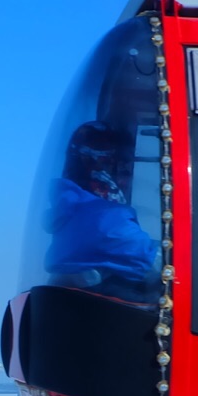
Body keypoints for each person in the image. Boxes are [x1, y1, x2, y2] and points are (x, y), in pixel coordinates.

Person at [43, 121, 162, 302]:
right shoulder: (105, 219)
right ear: (101, 168)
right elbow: (155, 261)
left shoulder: (71, 213)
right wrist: (196, 249)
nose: (125, 182)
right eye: (123, 171)